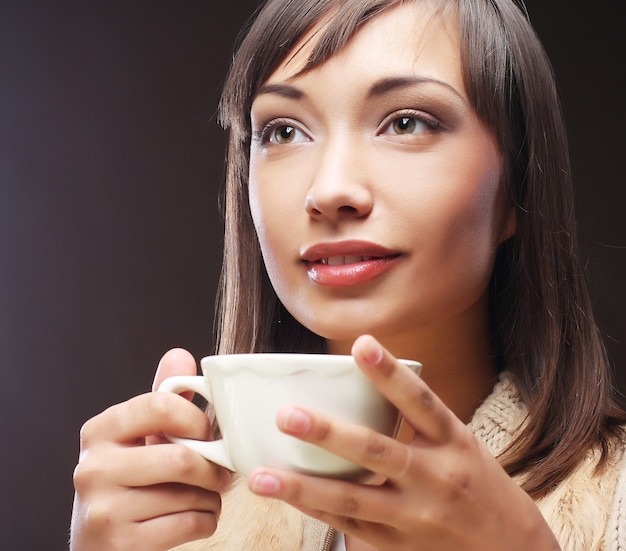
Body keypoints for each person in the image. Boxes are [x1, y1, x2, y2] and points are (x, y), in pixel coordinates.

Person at [69, 0, 626, 549]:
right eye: (283, 131)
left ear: (517, 189)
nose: (330, 189)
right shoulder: (181, 523)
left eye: (406, 122)